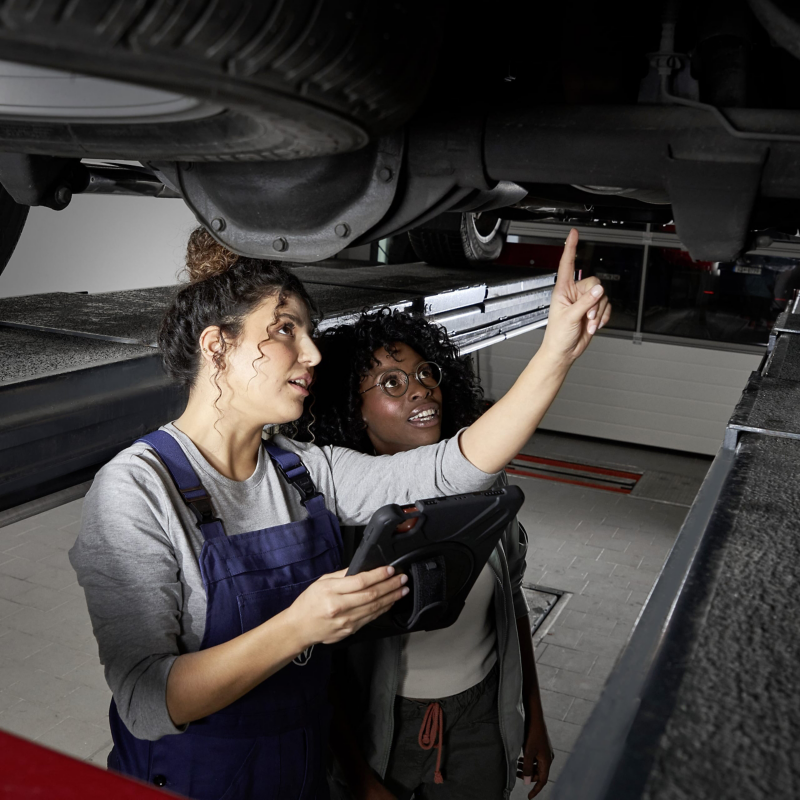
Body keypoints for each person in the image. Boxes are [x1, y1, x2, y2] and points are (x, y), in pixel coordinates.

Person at [69, 227, 609, 800]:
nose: (313, 354)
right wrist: (300, 626)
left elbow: (456, 466)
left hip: (299, 775)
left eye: (310, 333)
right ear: (215, 346)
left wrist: (555, 351)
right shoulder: (136, 489)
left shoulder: (304, 472)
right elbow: (147, 702)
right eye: (285, 330)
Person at [298, 309, 553, 800]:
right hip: (383, 728)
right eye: (390, 382)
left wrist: (532, 718)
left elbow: (512, 603)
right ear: (355, 409)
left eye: (423, 373)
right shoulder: (340, 519)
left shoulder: (483, 489)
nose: (419, 389)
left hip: (480, 718)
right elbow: (321, 668)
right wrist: (360, 777)